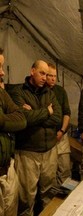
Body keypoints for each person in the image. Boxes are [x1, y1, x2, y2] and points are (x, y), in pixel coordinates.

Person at [10, 60, 62, 215]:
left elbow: (57, 118)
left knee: (47, 193)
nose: (45, 77)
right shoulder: (19, 92)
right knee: (26, 197)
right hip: (28, 152)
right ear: (32, 71)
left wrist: (34, 113)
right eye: (42, 73)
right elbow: (24, 119)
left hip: (49, 151)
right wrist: (46, 112)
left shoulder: (49, 93)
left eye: (47, 74)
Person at [0, 48, 27, 216]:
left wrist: (3, 120)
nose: (2, 73)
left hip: (7, 169)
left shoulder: (2, 93)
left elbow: (22, 118)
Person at [46, 63, 72, 186]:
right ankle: (53, 201)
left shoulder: (60, 91)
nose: (52, 78)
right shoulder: (41, 92)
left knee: (65, 168)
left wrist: (62, 131)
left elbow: (67, 113)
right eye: (50, 75)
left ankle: (66, 198)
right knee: (49, 173)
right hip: (48, 137)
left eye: (54, 76)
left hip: (62, 136)